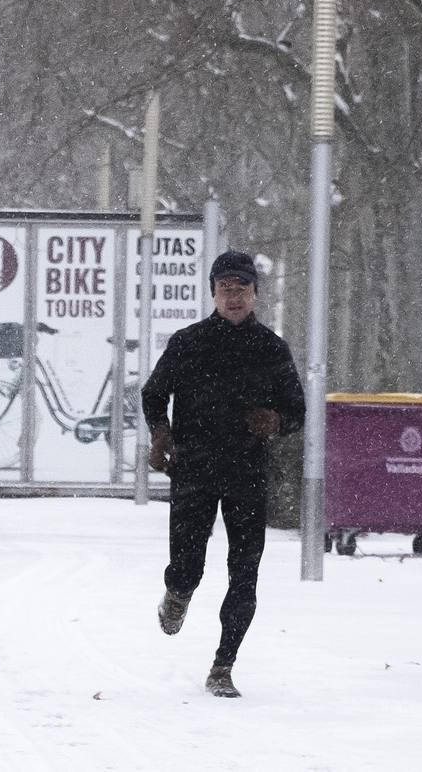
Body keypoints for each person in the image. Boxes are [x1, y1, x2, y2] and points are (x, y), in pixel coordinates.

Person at [141, 249, 305, 698]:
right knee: (188, 565)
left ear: (255, 293)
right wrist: (161, 433)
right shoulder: (188, 342)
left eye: (242, 289)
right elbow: (153, 394)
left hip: (247, 475)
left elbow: (297, 412)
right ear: (213, 293)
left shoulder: (272, 348)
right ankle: (177, 593)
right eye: (225, 289)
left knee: (244, 572)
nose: (233, 297)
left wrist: (275, 420)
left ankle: (223, 666)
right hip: (194, 470)